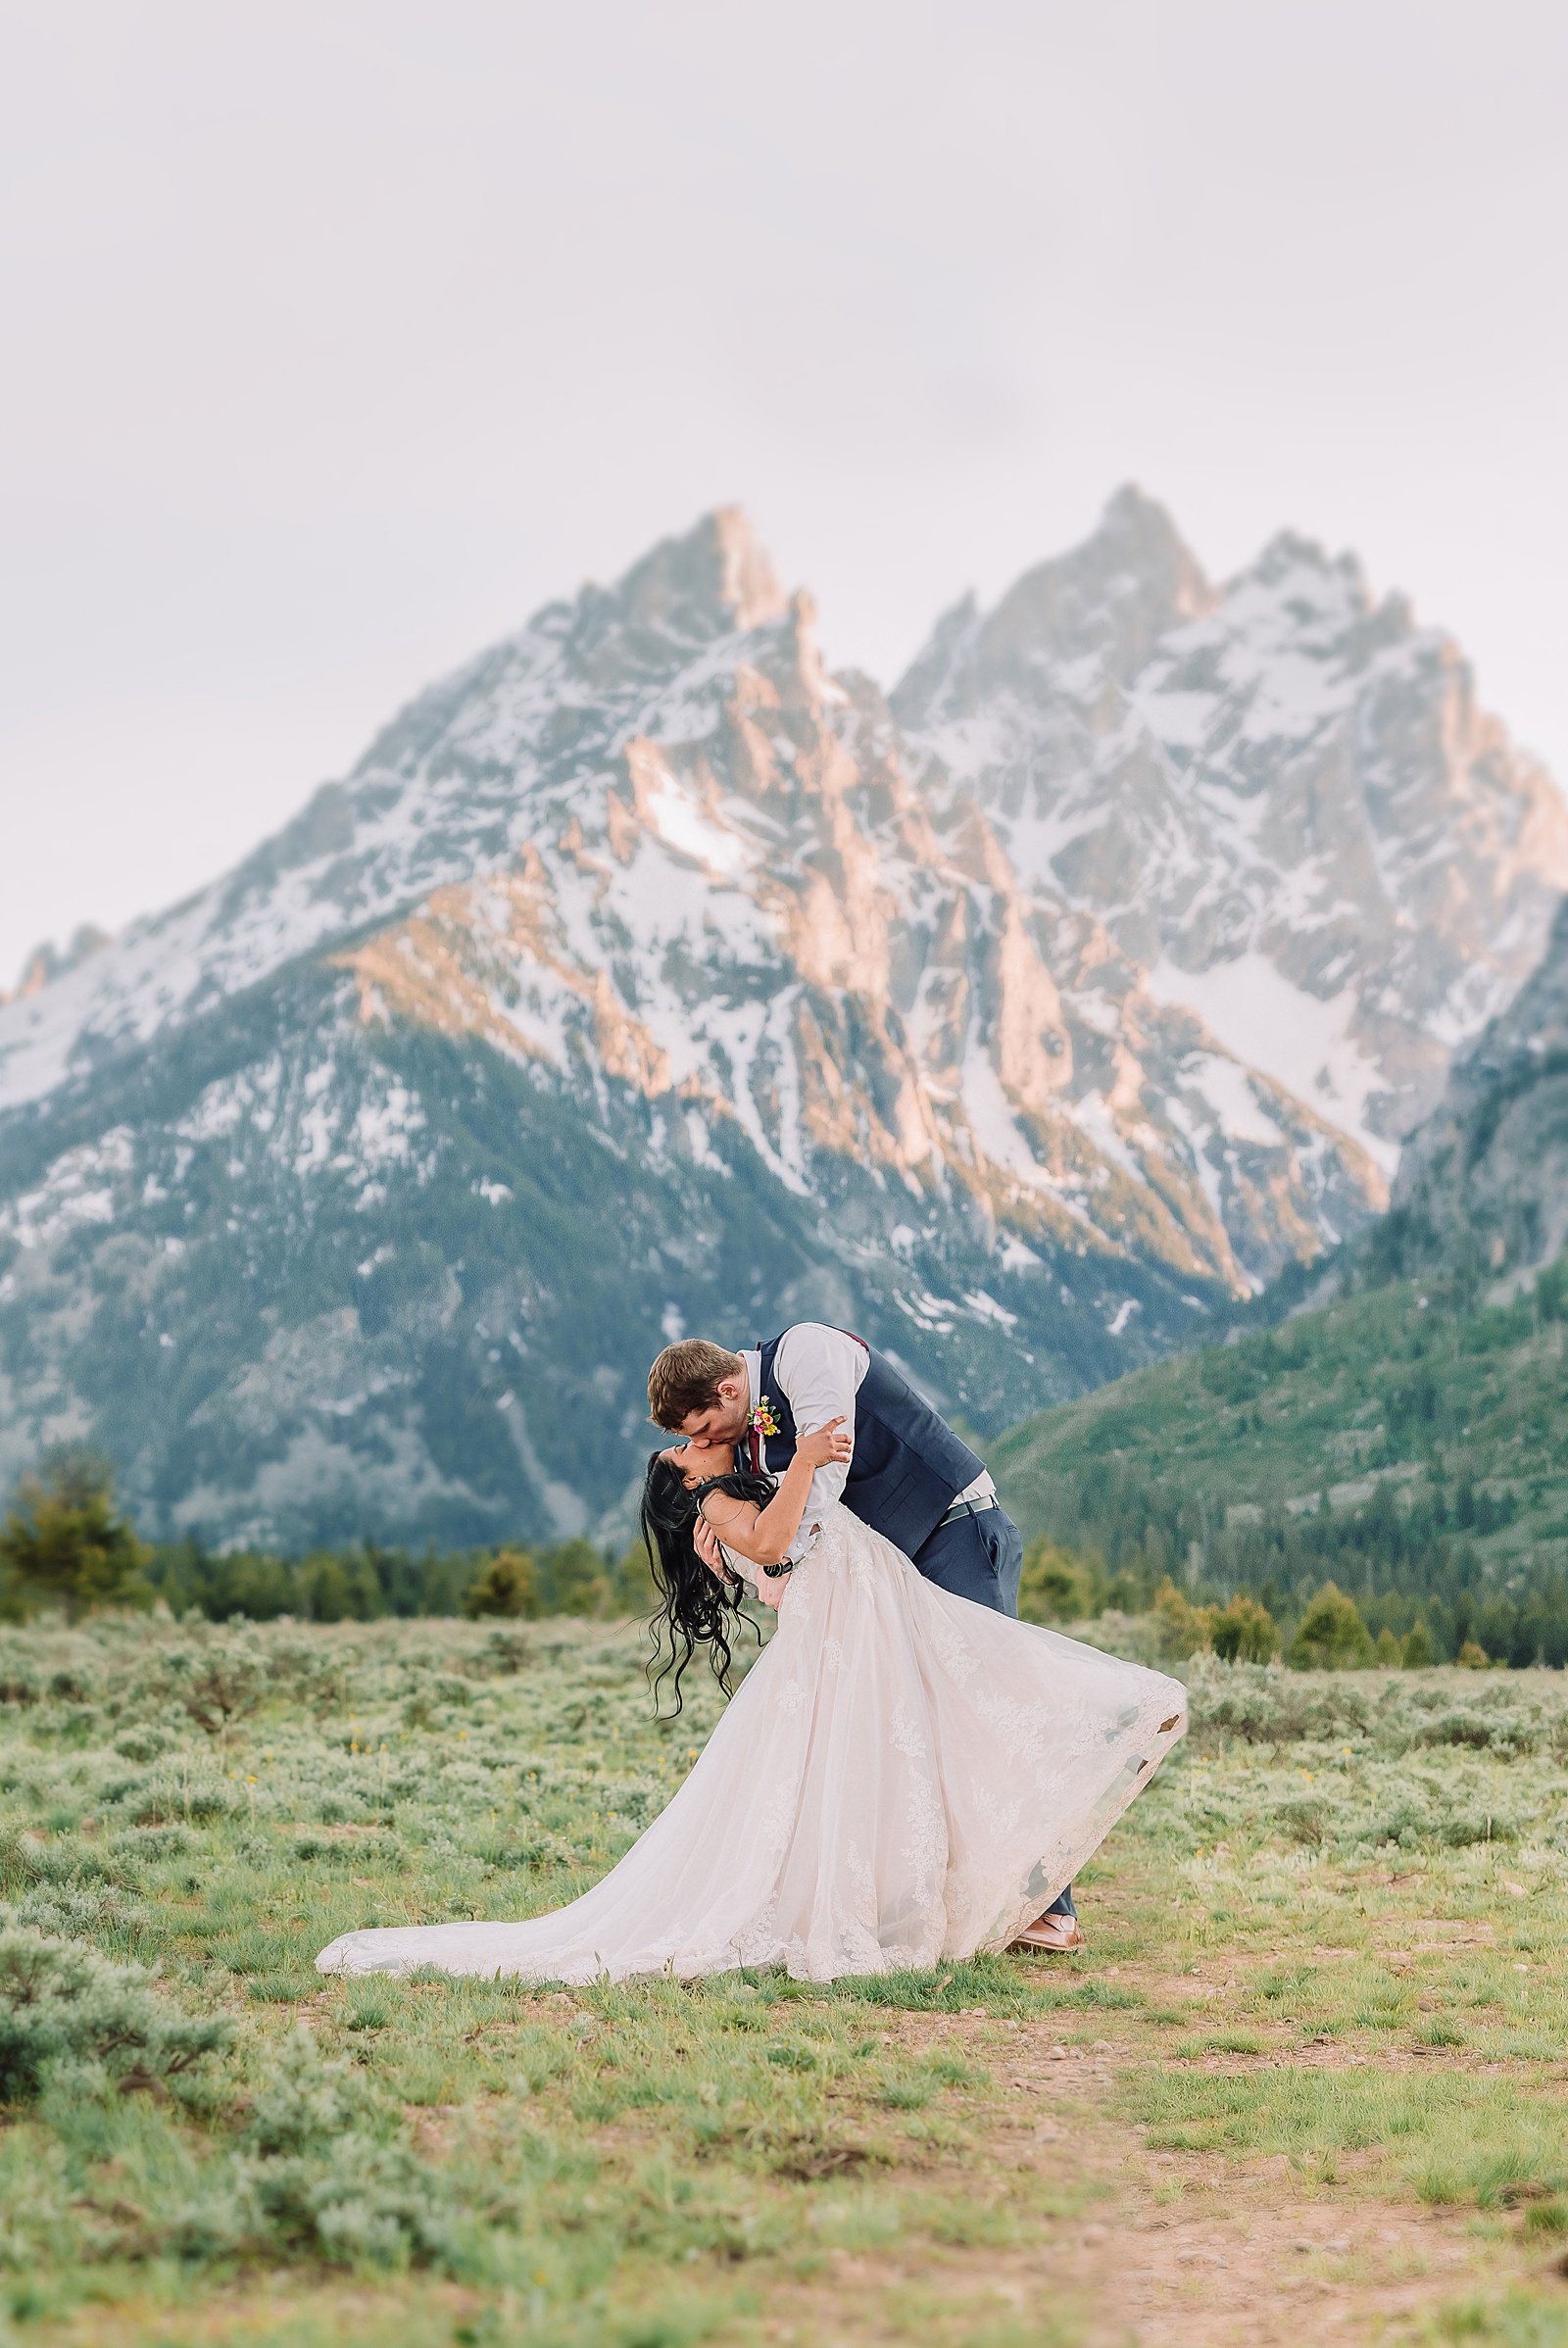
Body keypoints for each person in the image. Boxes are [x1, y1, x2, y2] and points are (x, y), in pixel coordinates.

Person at [317, 1419, 1186, 1986]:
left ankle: (992, 1893)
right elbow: (776, 1552)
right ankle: (1013, 1882)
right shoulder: (724, 1503)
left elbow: (779, 1579)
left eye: (689, 1437)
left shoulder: (737, 1498)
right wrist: (804, 1462)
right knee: (913, 1742)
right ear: (685, 1483)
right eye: (683, 1452)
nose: (692, 1440)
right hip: (855, 1635)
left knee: (906, 1749)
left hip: (863, 1628)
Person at [647, 1329, 1085, 1953]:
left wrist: (771, 1552)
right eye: (691, 1441)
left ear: (727, 1388)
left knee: (986, 1711)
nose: (704, 1444)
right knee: (917, 1730)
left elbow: (826, 1480)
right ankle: (979, 1901)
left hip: (951, 1530)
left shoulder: (807, 1353)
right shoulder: (736, 1436)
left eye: (703, 1427)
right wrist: (742, 1545)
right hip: (887, 1575)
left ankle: (1051, 1908)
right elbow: (778, 1517)